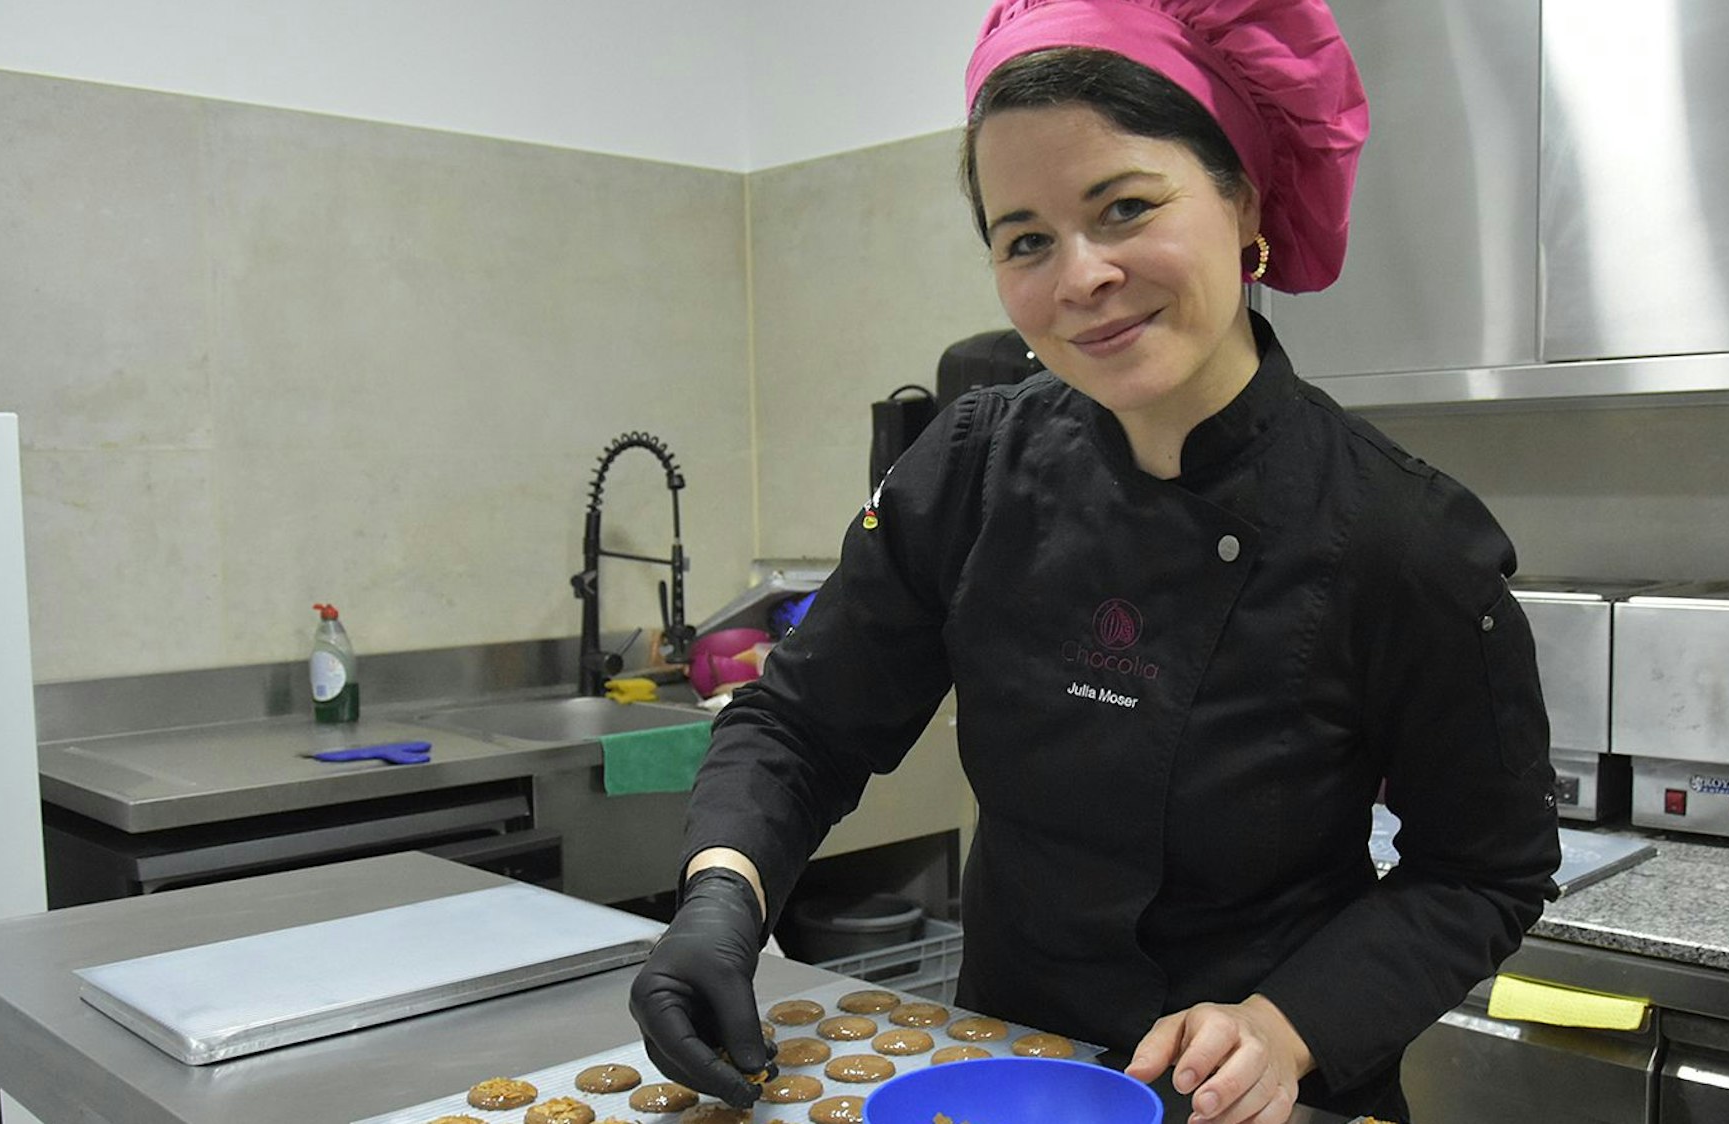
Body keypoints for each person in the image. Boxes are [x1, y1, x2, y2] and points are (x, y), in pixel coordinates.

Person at [629, 1, 1562, 1120]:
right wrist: (721, 897)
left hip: (1259, 1098)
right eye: (1025, 239)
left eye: (1125, 208)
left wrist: (1286, 1026)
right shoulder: (970, 469)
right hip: (1004, 1078)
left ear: (1243, 200)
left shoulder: (1401, 534)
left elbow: (1483, 867)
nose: (1079, 277)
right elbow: (803, 722)